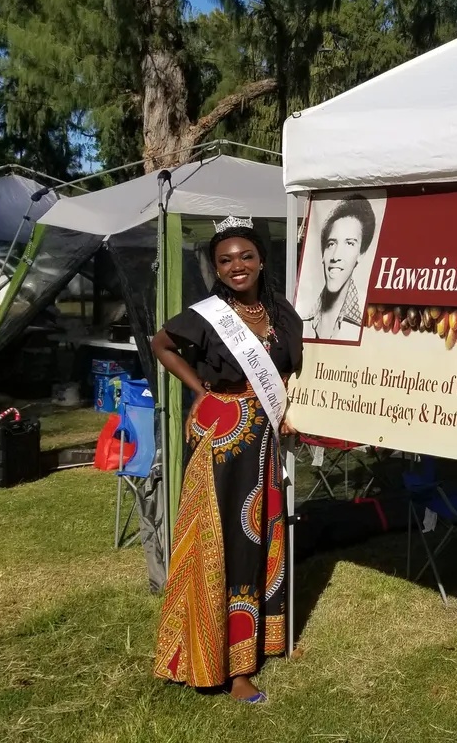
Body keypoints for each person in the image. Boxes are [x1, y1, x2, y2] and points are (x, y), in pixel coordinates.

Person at [150, 219, 302, 704]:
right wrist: (200, 390)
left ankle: (261, 644)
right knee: (220, 541)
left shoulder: (283, 314)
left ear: (261, 260)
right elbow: (161, 344)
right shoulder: (209, 315)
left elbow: (294, 372)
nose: (237, 266)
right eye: (226, 260)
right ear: (216, 268)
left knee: (258, 534)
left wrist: (293, 411)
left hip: (264, 438)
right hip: (220, 435)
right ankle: (224, 666)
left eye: (246, 257)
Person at [304, 196, 376, 341]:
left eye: (349, 243)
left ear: (361, 254)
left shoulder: (369, 322)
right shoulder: (301, 318)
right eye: (331, 244)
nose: (336, 256)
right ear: (323, 253)